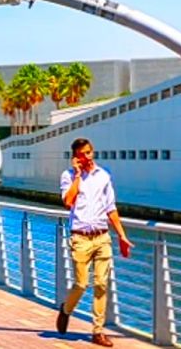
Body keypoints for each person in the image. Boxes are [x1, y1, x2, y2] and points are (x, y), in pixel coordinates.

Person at [56, 138, 134, 347]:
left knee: (101, 284)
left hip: (102, 237)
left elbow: (111, 208)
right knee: (81, 284)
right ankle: (65, 310)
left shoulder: (104, 176)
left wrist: (122, 235)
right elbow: (68, 202)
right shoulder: (68, 176)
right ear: (75, 157)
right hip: (80, 238)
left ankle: (97, 331)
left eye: (89, 152)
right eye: (82, 154)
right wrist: (78, 176)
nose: (87, 157)